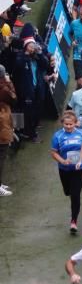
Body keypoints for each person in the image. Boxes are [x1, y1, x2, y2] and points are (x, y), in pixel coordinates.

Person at [51, 110, 82, 233]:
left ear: (76, 123)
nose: (69, 126)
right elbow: (53, 152)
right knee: (68, 192)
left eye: (71, 124)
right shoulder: (58, 136)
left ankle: (74, 221)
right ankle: (71, 195)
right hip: (64, 169)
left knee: (75, 195)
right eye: (66, 124)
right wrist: (62, 161)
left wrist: (81, 160)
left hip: (78, 169)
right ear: (63, 124)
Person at [0, 64, 16, 195]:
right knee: (1, 157)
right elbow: (13, 98)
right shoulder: (3, 88)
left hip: (3, 123)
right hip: (2, 126)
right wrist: (9, 82)